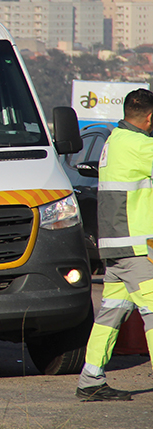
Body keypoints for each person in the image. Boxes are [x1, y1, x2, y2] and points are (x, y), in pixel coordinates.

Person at [76, 88, 153, 401]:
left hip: (115, 247)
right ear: (150, 118)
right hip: (137, 248)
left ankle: (90, 379)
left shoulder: (115, 141)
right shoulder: (139, 145)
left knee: (111, 314)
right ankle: (90, 380)